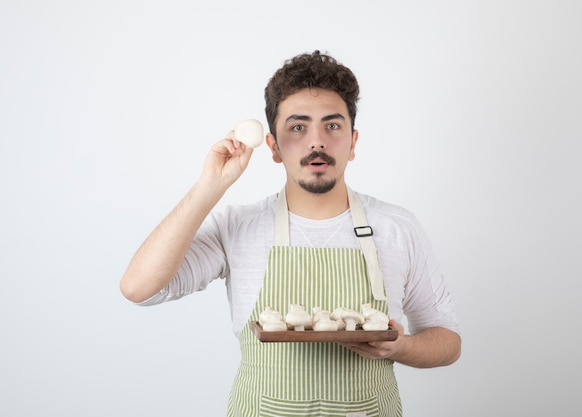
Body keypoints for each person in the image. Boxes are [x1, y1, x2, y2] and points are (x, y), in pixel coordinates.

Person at [120, 50, 461, 416]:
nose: (317, 142)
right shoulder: (238, 226)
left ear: (353, 141)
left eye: (332, 126)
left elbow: (448, 341)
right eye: (298, 127)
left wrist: (400, 347)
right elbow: (139, 289)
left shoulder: (397, 227)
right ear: (274, 147)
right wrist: (210, 186)